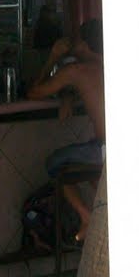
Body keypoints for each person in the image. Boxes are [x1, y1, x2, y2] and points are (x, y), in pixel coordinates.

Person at [28, 19, 107, 240]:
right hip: (125, 148)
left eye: (77, 41)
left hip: (103, 150)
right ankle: (107, 213)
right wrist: (68, 95)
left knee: (55, 163)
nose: (73, 45)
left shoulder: (76, 70)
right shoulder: (120, 63)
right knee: (94, 172)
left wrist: (52, 57)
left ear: (86, 45)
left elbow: (34, 92)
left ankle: (87, 217)